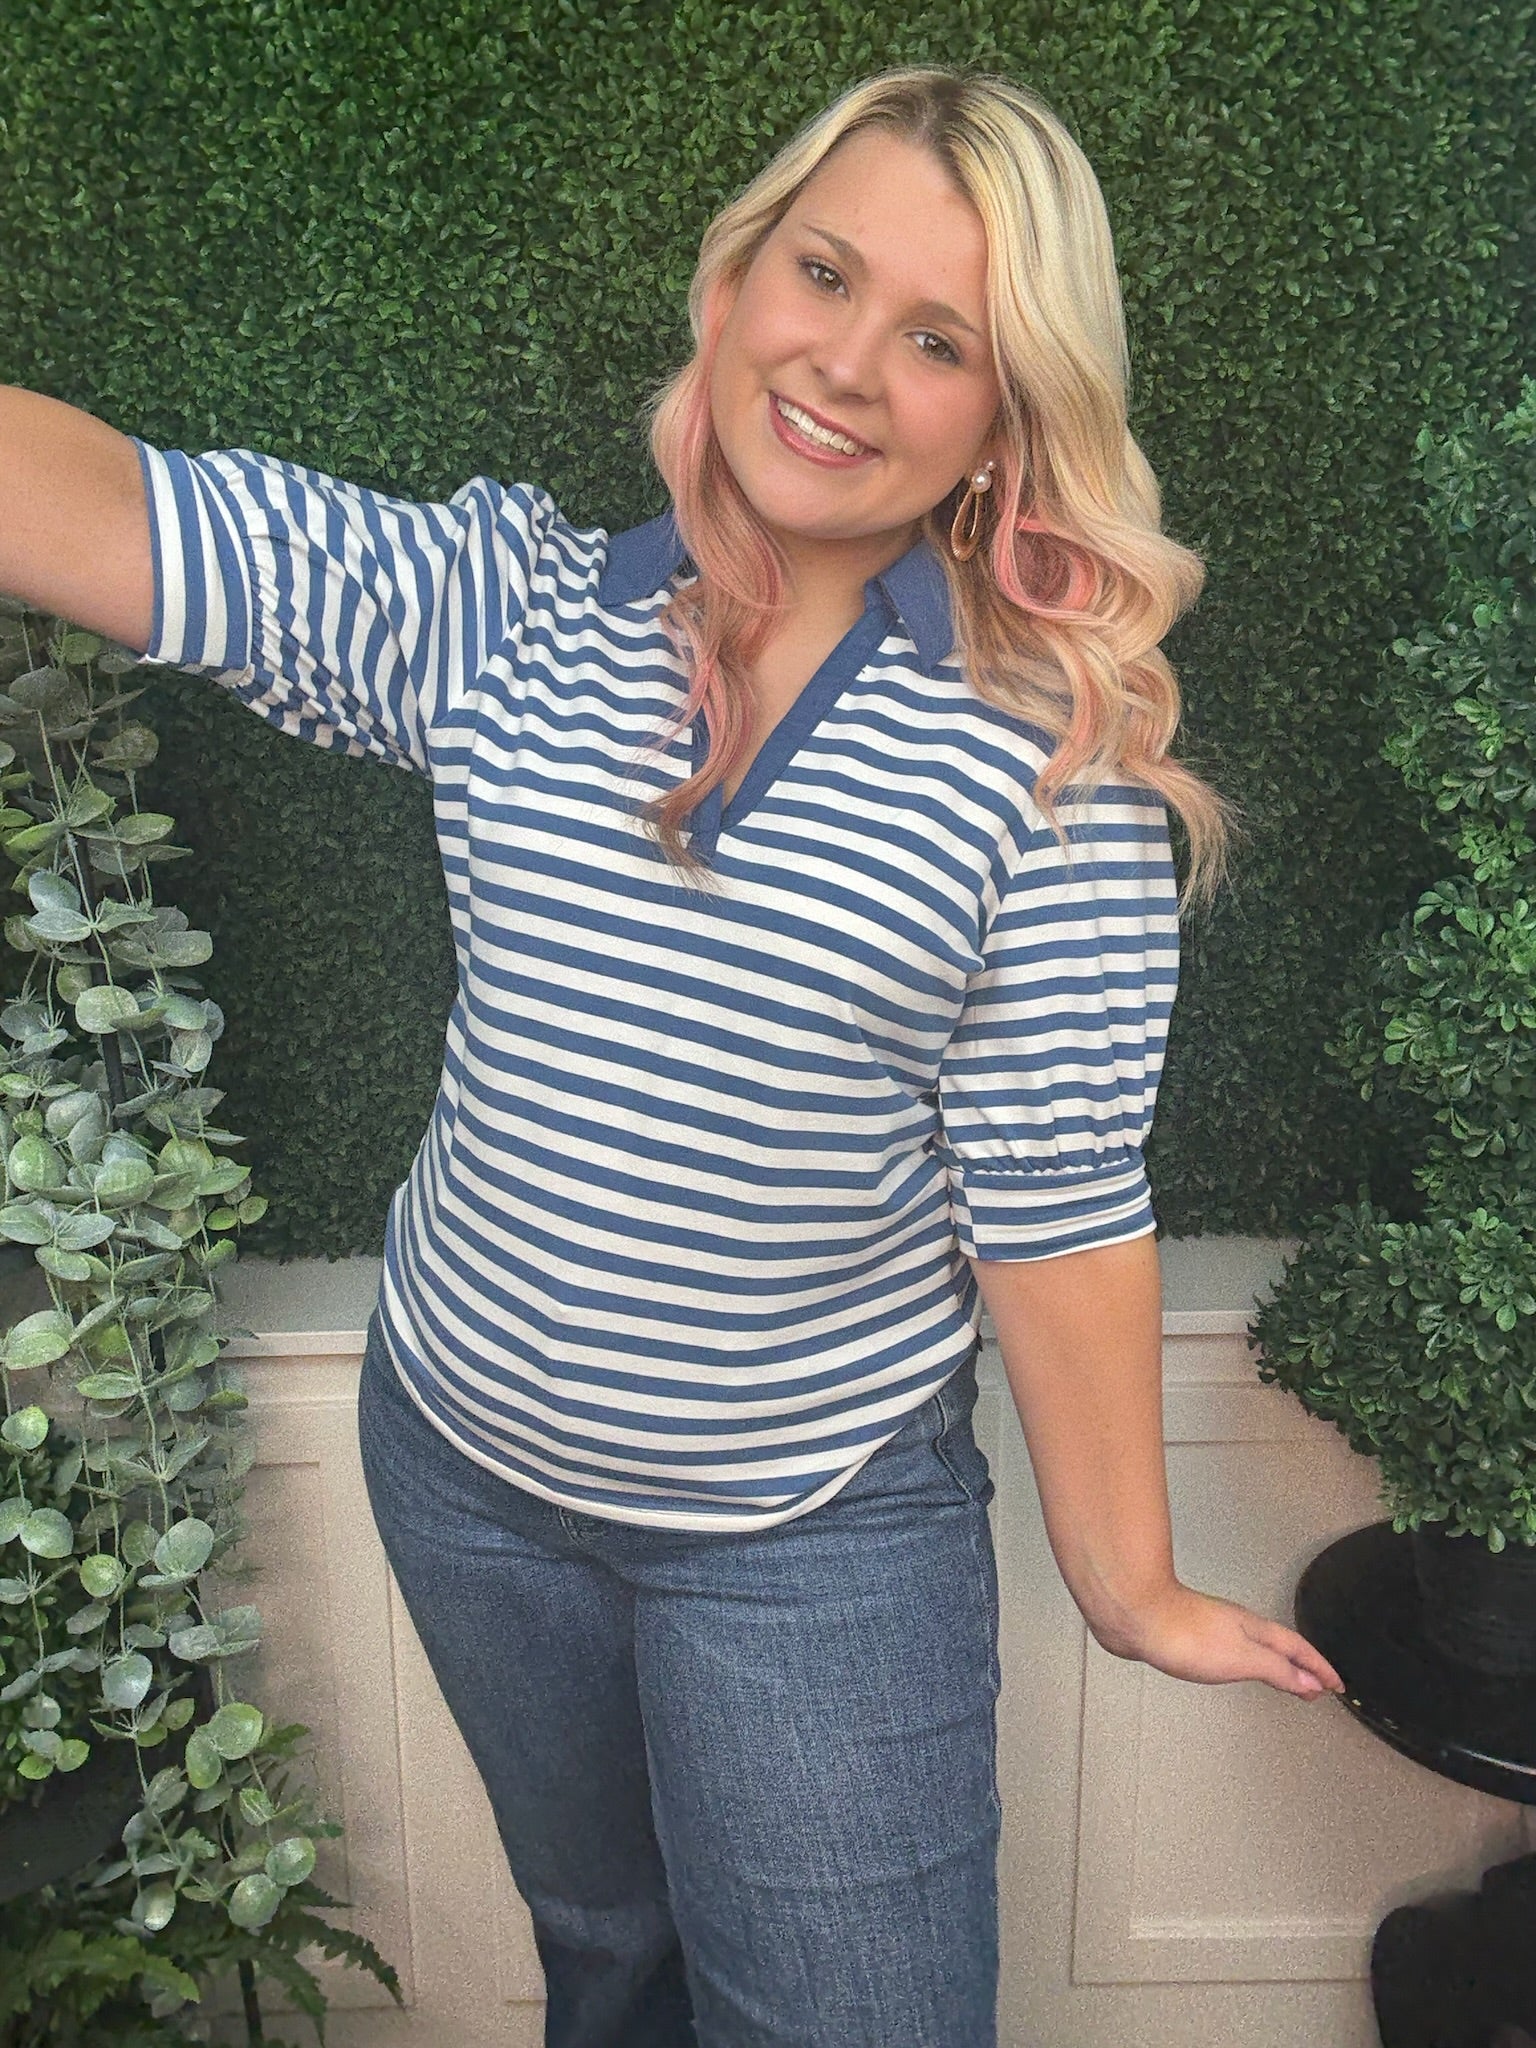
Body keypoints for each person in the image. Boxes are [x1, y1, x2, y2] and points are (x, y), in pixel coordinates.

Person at [0, 62, 1345, 2048]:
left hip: (809, 1537)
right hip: (462, 1466)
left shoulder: (1049, 777)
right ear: (734, 286)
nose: (850, 363)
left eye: (942, 340)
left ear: (1003, 424)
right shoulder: (503, 611)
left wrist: (1130, 1581)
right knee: (611, 1962)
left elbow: (1055, 1205)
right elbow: (110, 506)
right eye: (825, 273)